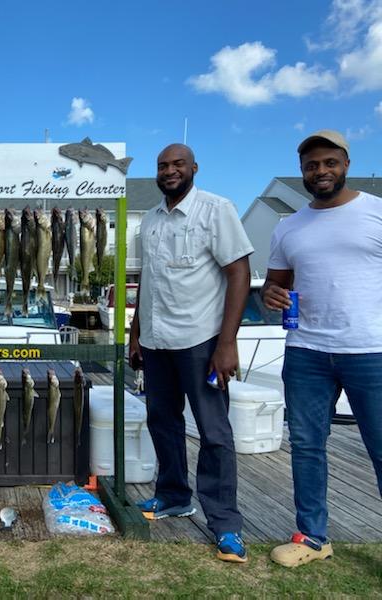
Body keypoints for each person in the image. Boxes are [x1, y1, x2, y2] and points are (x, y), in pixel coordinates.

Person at [262, 130, 382, 567]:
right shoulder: (287, 226)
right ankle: (313, 537)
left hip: (371, 350)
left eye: (329, 162)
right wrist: (271, 296)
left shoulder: (376, 212)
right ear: (302, 172)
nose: (321, 171)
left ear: (346, 164)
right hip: (307, 351)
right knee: (307, 445)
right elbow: (276, 286)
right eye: (312, 165)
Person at [129, 144, 254, 563]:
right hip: (157, 342)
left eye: (177, 164)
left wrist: (227, 341)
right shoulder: (148, 220)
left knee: (214, 433)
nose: (170, 171)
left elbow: (239, 272)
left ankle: (224, 523)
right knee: (162, 422)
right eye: (163, 165)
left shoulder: (217, 210)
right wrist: (136, 335)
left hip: (201, 341)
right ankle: (173, 496)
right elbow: (148, 280)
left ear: (194, 168)